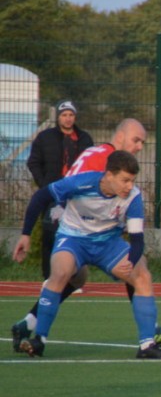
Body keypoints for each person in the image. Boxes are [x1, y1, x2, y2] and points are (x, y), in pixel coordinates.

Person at [11, 119, 161, 353]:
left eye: (143, 142)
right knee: (63, 273)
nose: (139, 147)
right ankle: (39, 336)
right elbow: (71, 189)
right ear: (120, 137)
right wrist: (28, 233)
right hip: (71, 227)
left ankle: (27, 324)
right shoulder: (101, 161)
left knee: (90, 277)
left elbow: (131, 228)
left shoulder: (108, 163)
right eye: (136, 140)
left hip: (101, 235)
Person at [26, 100, 94, 279]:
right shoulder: (45, 137)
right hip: (53, 196)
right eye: (64, 115)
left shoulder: (85, 139)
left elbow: (92, 165)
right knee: (51, 234)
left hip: (78, 196)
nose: (68, 119)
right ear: (58, 117)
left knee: (77, 235)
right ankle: (49, 277)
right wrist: (44, 185)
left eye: (71, 115)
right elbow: (33, 162)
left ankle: (74, 279)